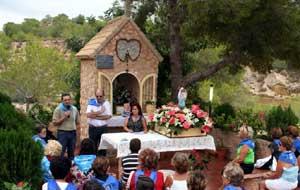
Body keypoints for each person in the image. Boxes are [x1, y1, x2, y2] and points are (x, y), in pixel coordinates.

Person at [52, 93, 80, 159]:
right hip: (62, 133)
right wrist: (64, 117)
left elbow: (78, 123)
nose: (67, 101)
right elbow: (54, 123)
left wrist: (78, 136)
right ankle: (61, 168)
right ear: (62, 101)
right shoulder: (58, 109)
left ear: (71, 100)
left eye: (68, 99)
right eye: (65, 100)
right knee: (61, 153)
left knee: (71, 153)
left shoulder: (74, 109)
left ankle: (71, 168)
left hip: (72, 133)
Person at [86, 89, 112, 156]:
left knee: (103, 147)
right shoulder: (91, 102)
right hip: (93, 128)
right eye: (97, 96)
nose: (98, 98)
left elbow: (108, 116)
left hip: (103, 128)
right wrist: (100, 112)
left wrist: (94, 115)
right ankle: (93, 163)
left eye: (100, 96)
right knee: (92, 147)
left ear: (103, 96)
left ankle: (102, 163)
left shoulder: (106, 103)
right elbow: (88, 115)